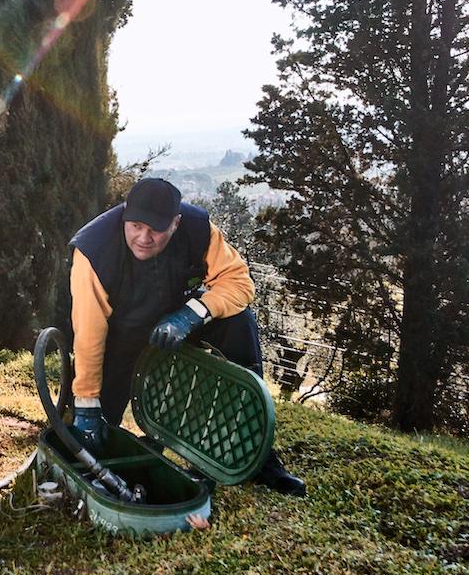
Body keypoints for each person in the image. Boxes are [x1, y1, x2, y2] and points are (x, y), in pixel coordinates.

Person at [66, 177, 306, 497]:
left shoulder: (198, 227)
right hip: (120, 335)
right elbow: (89, 330)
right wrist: (85, 402)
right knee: (93, 429)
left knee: (239, 320)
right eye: (135, 225)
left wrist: (191, 315)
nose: (144, 237)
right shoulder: (93, 251)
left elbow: (240, 283)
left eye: (156, 229)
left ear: (176, 223)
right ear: (125, 215)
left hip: (179, 323)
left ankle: (257, 456)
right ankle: (106, 450)